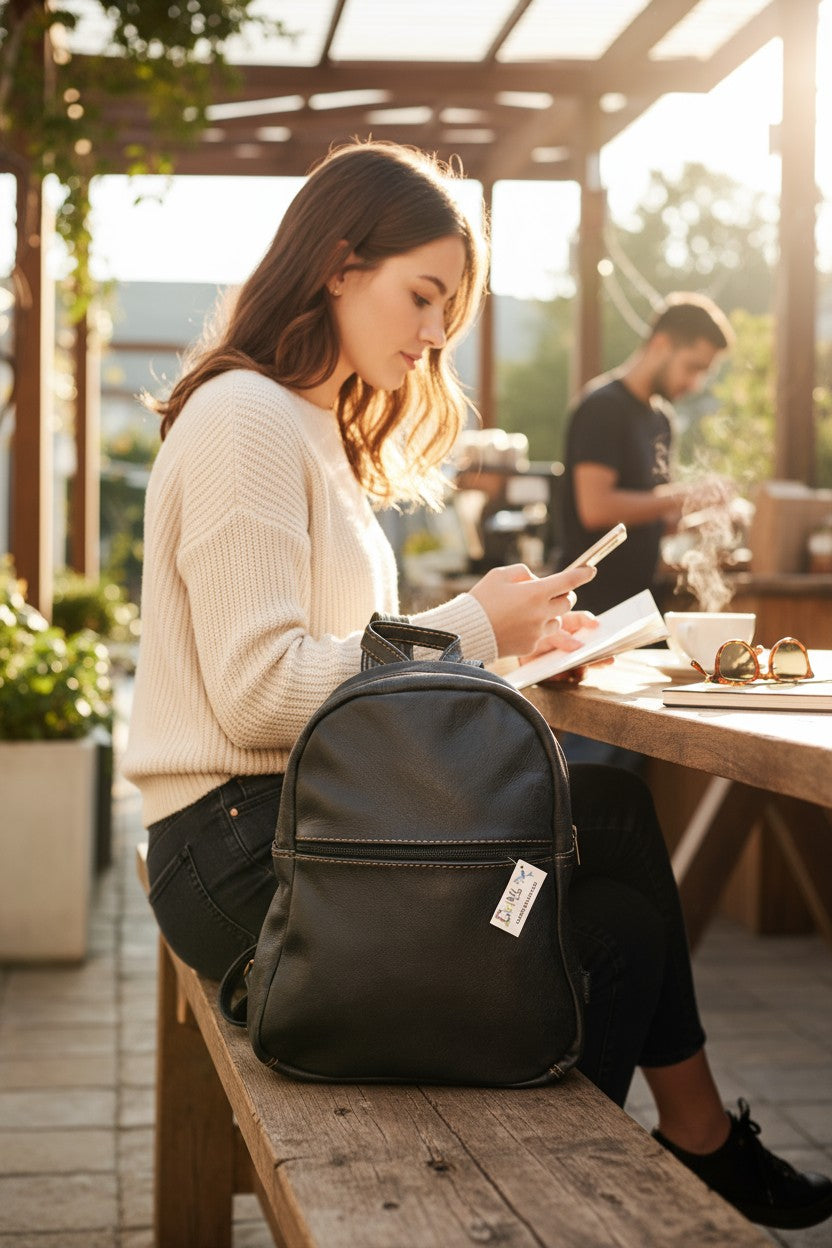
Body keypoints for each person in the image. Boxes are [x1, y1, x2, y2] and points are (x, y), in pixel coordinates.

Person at [123, 141, 831, 1232]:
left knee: (607, 816)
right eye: (423, 294)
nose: (436, 331)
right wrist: (468, 629)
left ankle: (696, 1144)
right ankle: (572, 1195)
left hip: (304, 823)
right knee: (606, 939)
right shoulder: (245, 423)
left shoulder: (309, 429)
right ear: (336, 264)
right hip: (241, 854)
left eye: (448, 304)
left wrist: (511, 644)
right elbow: (258, 696)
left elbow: (344, 667)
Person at [557, 294, 734, 768]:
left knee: (630, 771)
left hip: (640, 617)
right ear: (660, 344)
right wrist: (683, 493)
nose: (693, 382)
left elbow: (651, 512)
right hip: (592, 620)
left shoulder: (661, 419)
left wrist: (704, 512)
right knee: (588, 769)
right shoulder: (602, 407)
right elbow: (596, 508)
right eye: (692, 365)